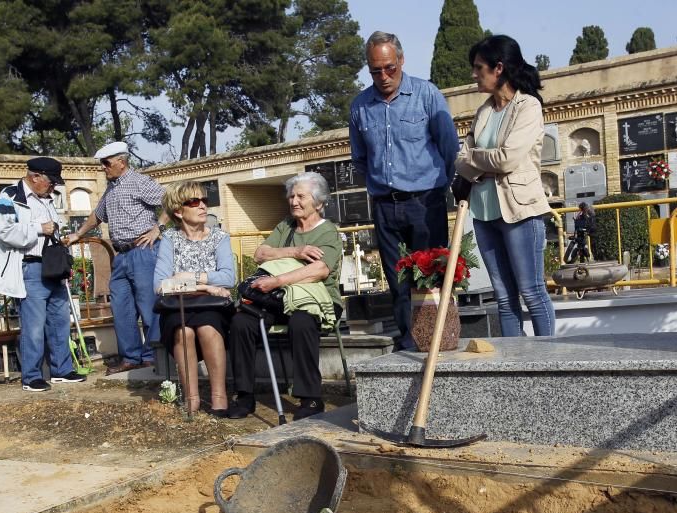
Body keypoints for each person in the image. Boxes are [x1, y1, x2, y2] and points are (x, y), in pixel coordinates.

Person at [349, 30, 459, 352]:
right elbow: (360, 158)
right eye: (375, 70)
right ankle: (408, 341)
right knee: (397, 281)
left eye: (389, 68)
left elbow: (449, 147)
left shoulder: (427, 95)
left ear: (401, 60)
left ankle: (439, 338)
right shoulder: (360, 107)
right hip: (384, 205)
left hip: (425, 202)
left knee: (431, 277)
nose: (383, 76)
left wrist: (441, 189)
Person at [455, 34, 555, 337]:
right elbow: (460, 161)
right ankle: (513, 365)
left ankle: (550, 365)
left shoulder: (528, 106)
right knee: (503, 296)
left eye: (478, 67)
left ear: (498, 68)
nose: (474, 75)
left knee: (532, 291)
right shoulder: (484, 111)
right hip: (484, 213)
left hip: (520, 211)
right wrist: (477, 162)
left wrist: (475, 159)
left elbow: (507, 159)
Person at [228, 172, 342, 421]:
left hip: (317, 299)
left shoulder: (328, 232)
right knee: (241, 323)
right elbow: (260, 254)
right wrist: (297, 250)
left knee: (301, 321)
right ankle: (244, 395)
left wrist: (277, 280)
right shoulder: (285, 227)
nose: (294, 201)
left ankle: (310, 398)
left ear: (319, 203)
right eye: (291, 196)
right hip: (277, 297)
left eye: (301, 196)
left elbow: (319, 270)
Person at [64, 141, 165, 375]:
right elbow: (97, 215)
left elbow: (170, 201)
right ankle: (131, 357)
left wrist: (158, 228)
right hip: (121, 255)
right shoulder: (112, 188)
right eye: (102, 164)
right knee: (121, 307)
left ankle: (152, 356)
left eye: (107, 164)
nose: (104, 168)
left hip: (143, 252)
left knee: (149, 307)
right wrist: (78, 234)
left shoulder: (140, 182)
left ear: (121, 162)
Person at [0, 157, 86, 391]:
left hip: (52, 266)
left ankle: (61, 369)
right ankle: (31, 376)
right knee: (33, 325)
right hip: (29, 266)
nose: (53, 187)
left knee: (59, 321)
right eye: (50, 182)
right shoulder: (10, 196)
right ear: (35, 177)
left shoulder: (48, 199)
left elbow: (54, 226)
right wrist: (39, 229)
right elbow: (5, 231)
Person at [153, 181, 235, 416]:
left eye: (204, 201)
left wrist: (188, 276)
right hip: (179, 306)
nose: (202, 206)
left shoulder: (219, 237)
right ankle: (192, 399)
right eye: (193, 201)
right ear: (178, 211)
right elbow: (160, 286)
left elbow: (229, 278)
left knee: (208, 327)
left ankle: (219, 397)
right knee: (183, 331)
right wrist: (206, 287)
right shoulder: (169, 239)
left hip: (213, 309)